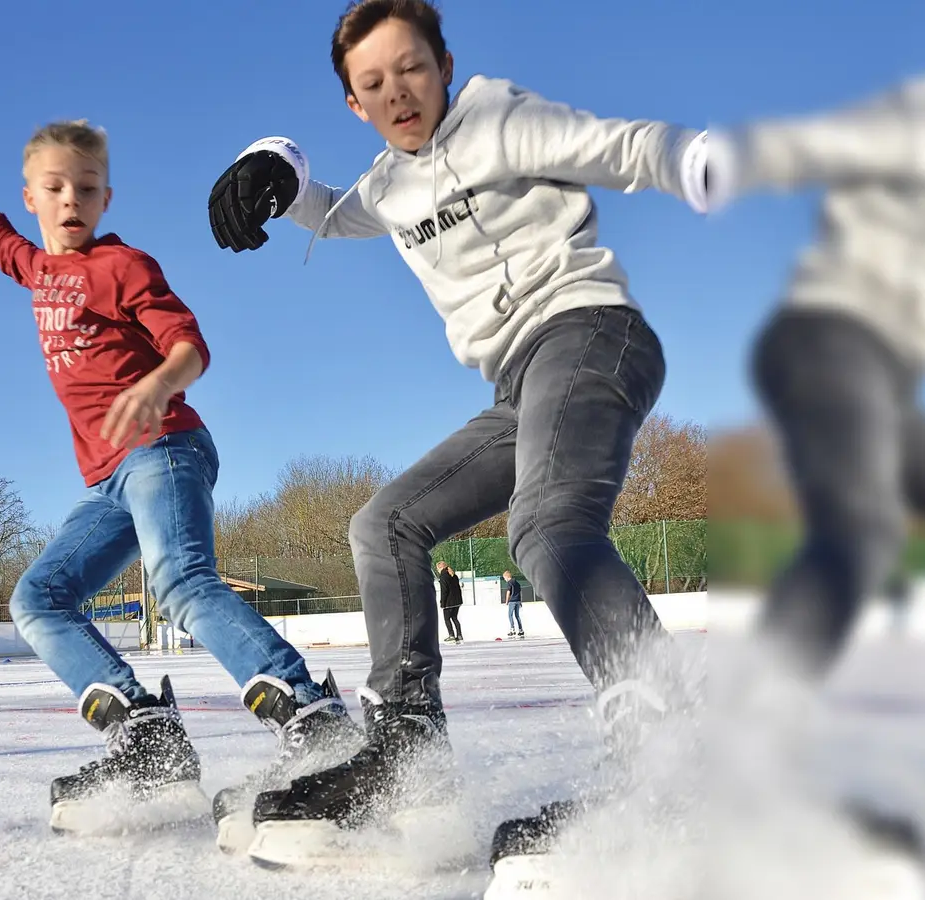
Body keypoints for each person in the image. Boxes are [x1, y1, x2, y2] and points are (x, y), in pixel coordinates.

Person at [205, 0, 708, 872]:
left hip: (589, 333)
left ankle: (676, 766)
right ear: (355, 105)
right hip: (518, 388)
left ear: (443, 65)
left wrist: (698, 160)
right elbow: (327, 211)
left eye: (411, 68)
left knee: (547, 524)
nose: (398, 92)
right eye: (373, 83)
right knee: (384, 524)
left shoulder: (497, 120)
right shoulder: (389, 187)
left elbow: (617, 145)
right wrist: (269, 164)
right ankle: (408, 755)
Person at [0, 107, 360, 847]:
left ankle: (310, 714)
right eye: (55, 188)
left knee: (179, 584)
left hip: (165, 446)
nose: (71, 200)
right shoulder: (38, 270)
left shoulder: (123, 266)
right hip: (106, 480)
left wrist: (157, 386)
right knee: (38, 597)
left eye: (86, 187)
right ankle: (147, 736)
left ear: (105, 199)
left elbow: (191, 347)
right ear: (33, 197)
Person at [709, 0, 925, 824]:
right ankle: (747, 750)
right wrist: (729, 161)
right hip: (825, 339)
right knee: (864, 530)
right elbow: (815, 145)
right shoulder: (916, 123)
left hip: (889, 387)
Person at [436, 561, 463, 643]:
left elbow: (444, 591)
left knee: (447, 619)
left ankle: (451, 635)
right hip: (457, 601)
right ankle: (459, 635)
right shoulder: (453, 575)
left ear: (440, 568)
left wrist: (442, 603)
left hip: (449, 602)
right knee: (454, 618)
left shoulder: (443, 576)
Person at [503, 570, 525, 638]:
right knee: (517, 616)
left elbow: (508, 592)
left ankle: (512, 629)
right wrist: (520, 601)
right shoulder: (517, 583)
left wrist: (506, 601)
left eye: (504, 578)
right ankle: (521, 630)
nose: (505, 579)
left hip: (512, 601)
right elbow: (520, 592)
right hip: (518, 600)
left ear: (507, 576)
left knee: (510, 615)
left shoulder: (510, 583)